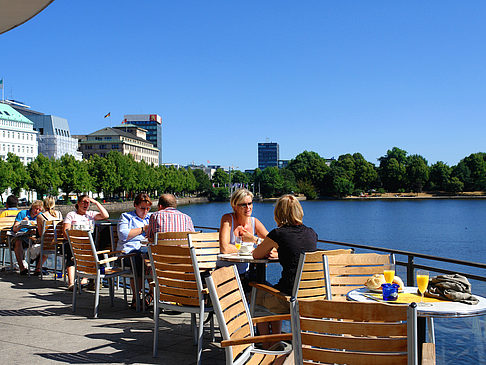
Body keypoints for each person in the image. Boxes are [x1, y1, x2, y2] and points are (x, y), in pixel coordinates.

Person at [252, 194, 317, 340]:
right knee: (273, 292)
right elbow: (297, 254)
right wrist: (281, 255)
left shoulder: (278, 234)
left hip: (288, 299)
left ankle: (269, 344)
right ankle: (279, 339)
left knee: (256, 296)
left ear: (278, 214)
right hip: (311, 297)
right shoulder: (312, 233)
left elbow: (256, 255)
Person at [217, 188, 268, 288]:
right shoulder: (227, 219)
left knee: (267, 292)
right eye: (243, 205)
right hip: (226, 273)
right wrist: (250, 249)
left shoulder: (254, 222)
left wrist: (254, 239)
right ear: (234, 206)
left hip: (247, 274)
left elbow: (273, 242)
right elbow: (224, 248)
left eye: (250, 203)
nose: (248, 207)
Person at [63, 195, 109, 290]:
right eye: (83, 202)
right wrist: (74, 239)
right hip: (74, 241)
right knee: (71, 252)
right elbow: (65, 231)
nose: (85, 204)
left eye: (88, 202)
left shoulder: (91, 214)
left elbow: (106, 215)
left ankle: (85, 279)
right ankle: (71, 283)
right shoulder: (71, 215)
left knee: (94, 252)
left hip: (88, 243)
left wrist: (96, 202)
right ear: (78, 203)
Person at [117, 193, 152, 308]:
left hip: (146, 250)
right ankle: (136, 297)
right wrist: (143, 229)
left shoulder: (151, 217)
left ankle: (153, 294)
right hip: (128, 253)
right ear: (135, 205)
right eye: (142, 208)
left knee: (157, 260)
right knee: (138, 259)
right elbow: (123, 235)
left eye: (147, 208)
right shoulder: (126, 217)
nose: (145, 211)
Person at [12, 200, 43, 275]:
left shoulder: (40, 216)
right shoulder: (23, 213)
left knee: (44, 243)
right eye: (36, 209)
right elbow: (14, 228)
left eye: (39, 210)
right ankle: (22, 268)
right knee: (18, 242)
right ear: (32, 207)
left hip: (33, 236)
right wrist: (22, 224)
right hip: (20, 235)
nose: (37, 211)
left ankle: (37, 268)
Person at [34, 197, 63, 274]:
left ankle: (37, 267)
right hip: (59, 243)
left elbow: (41, 234)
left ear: (43, 205)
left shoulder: (40, 217)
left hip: (47, 244)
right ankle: (62, 269)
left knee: (36, 242)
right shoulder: (59, 214)